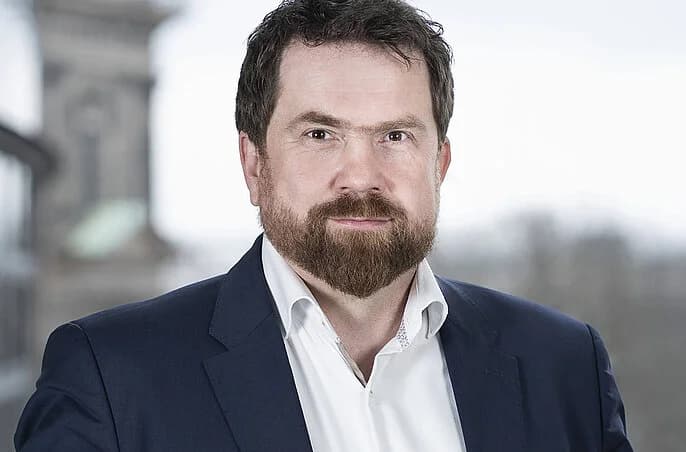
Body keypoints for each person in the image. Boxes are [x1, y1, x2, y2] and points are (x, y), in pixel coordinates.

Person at [15, 0, 633, 451]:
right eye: (319, 134)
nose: (360, 176)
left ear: (439, 163)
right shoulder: (109, 377)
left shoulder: (565, 366)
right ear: (254, 164)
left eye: (395, 136)